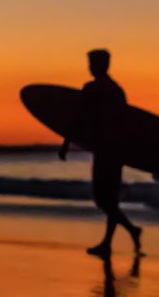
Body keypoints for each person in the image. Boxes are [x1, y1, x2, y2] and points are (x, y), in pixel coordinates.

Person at [59, 49, 143, 257]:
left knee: (102, 199)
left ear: (100, 65)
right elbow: (127, 122)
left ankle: (129, 231)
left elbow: (79, 118)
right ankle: (110, 242)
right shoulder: (117, 90)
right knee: (110, 199)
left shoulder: (92, 88)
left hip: (105, 149)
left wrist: (66, 142)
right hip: (117, 149)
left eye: (92, 63)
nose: (90, 67)